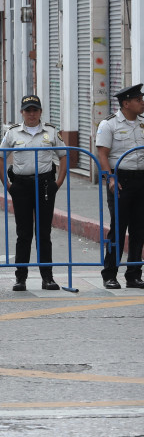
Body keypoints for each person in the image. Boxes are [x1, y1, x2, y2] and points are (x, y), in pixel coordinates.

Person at [0, 94, 67, 291]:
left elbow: (63, 156)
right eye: (28, 110)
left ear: (40, 112)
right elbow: (0, 158)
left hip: (45, 185)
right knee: (24, 233)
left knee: (44, 233)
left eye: (35, 110)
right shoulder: (12, 133)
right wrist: (7, 186)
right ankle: (21, 278)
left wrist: (58, 182)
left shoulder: (51, 132)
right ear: (22, 112)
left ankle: (47, 277)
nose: (32, 114)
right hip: (21, 186)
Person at [95, 83, 144, 289]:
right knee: (118, 227)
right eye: (138, 100)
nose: (142, 103)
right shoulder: (109, 125)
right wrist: (111, 178)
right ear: (126, 103)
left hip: (141, 178)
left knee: (139, 228)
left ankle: (134, 274)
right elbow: (102, 154)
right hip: (121, 180)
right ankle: (110, 273)